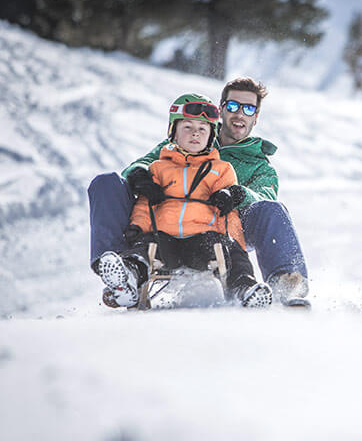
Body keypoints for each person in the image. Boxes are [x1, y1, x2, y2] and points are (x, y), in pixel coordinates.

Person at [88, 77, 309, 307]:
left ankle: (286, 285)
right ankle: (120, 274)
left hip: (225, 226)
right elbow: (145, 163)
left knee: (273, 209)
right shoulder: (192, 135)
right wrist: (140, 175)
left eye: (249, 108)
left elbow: (265, 196)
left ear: (256, 117)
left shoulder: (259, 164)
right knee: (106, 183)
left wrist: (237, 194)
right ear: (221, 109)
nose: (239, 114)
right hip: (169, 221)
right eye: (233, 106)